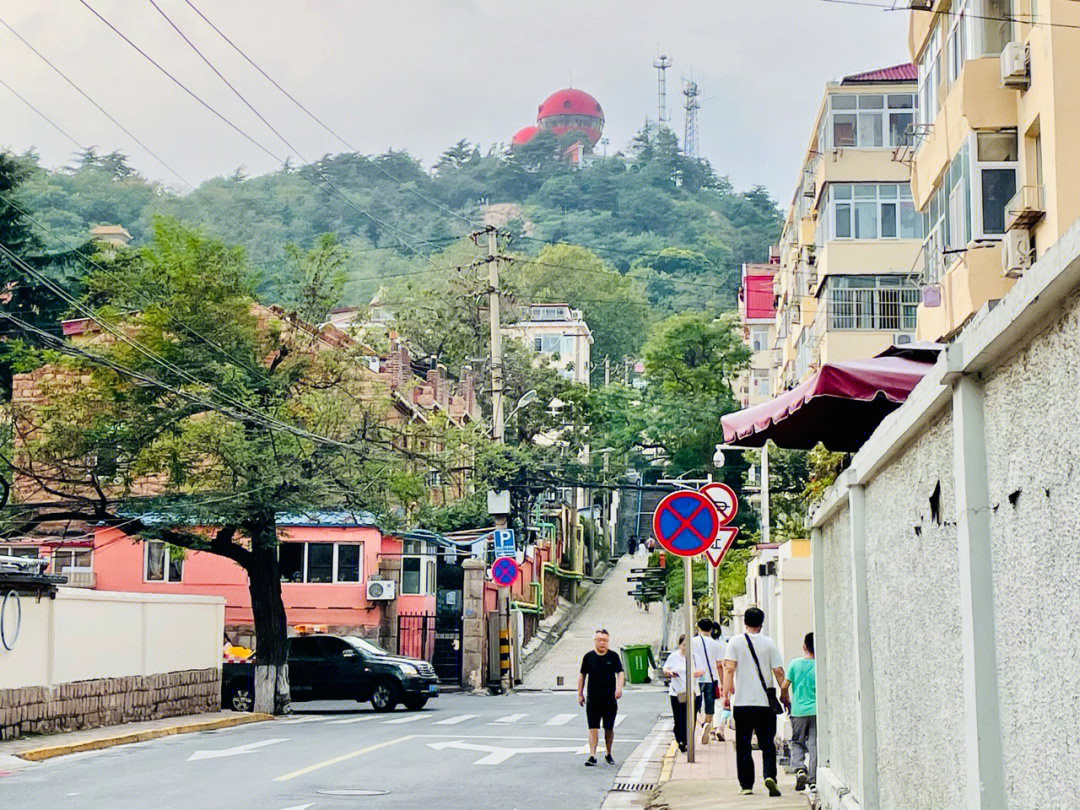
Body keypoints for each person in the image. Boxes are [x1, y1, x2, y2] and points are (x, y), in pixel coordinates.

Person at [723, 607, 786, 797]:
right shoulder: (769, 643)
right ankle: (770, 777)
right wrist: (784, 694)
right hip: (764, 705)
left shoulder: (735, 642)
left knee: (743, 745)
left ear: (745, 622)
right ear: (762, 622)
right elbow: (779, 672)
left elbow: (729, 670)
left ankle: (746, 785)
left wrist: (725, 696)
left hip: (742, 703)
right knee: (767, 743)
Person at [578, 629, 624, 767]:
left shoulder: (613, 657)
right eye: (599, 640)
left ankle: (608, 753)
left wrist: (619, 688)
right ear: (595, 641)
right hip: (593, 698)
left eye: (605, 640)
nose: (602, 643)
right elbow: (582, 675)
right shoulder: (588, 657)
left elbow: (620, 673)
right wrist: (579, 693)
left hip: (609, 698)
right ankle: (592, 755)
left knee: (608, 728)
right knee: (593, 727)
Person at [781, 632, 817, 792]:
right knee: (815, 743)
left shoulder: (795, 664)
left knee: (797, 742)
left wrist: (785, 699)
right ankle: (814, 778)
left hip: (798, 711)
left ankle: (800, 768)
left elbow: (784, 686)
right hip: (817, 711)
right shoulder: (820, 664)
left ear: (804, 646)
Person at [662, 633, 705, 753]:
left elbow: (702, 670)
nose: (686, 648)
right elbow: (665, 669)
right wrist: (670, 673)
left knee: (690, 718)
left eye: (688, 645)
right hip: (677, 693)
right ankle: (680, 739)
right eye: (684, 645)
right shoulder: (673, 657)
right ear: (679, 645)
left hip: (693, 692)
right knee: (679, 718)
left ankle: (686, 741)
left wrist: (698, 673)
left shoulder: (695, 657)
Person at [693, 618, 725, 746]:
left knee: (694, 706)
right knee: (709, 706)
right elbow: (719, 665)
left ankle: (702, 724)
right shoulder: (716, 644)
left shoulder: (692, 641)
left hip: (695, 678)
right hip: (711, 679)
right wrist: (723, 683)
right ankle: (708, 725)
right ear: (711, 629)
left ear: (698, 628)